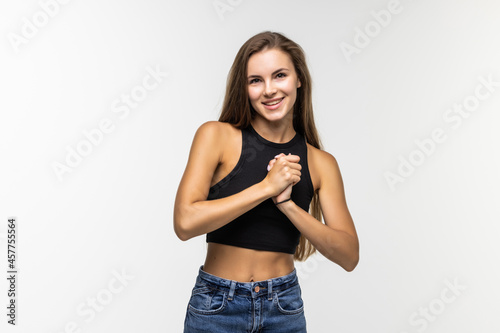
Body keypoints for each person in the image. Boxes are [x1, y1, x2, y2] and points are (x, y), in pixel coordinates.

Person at [174, 31, 359, 332]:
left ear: (299, 79)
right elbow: (184, 223)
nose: (269, 90)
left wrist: (287, 205)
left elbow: (349, 255)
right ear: (244, 88)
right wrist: (266, 188)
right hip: (217, 306)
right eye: (255, 80)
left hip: (283, 308)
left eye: (280, 75)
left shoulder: (321, 163)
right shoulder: (216, 136)